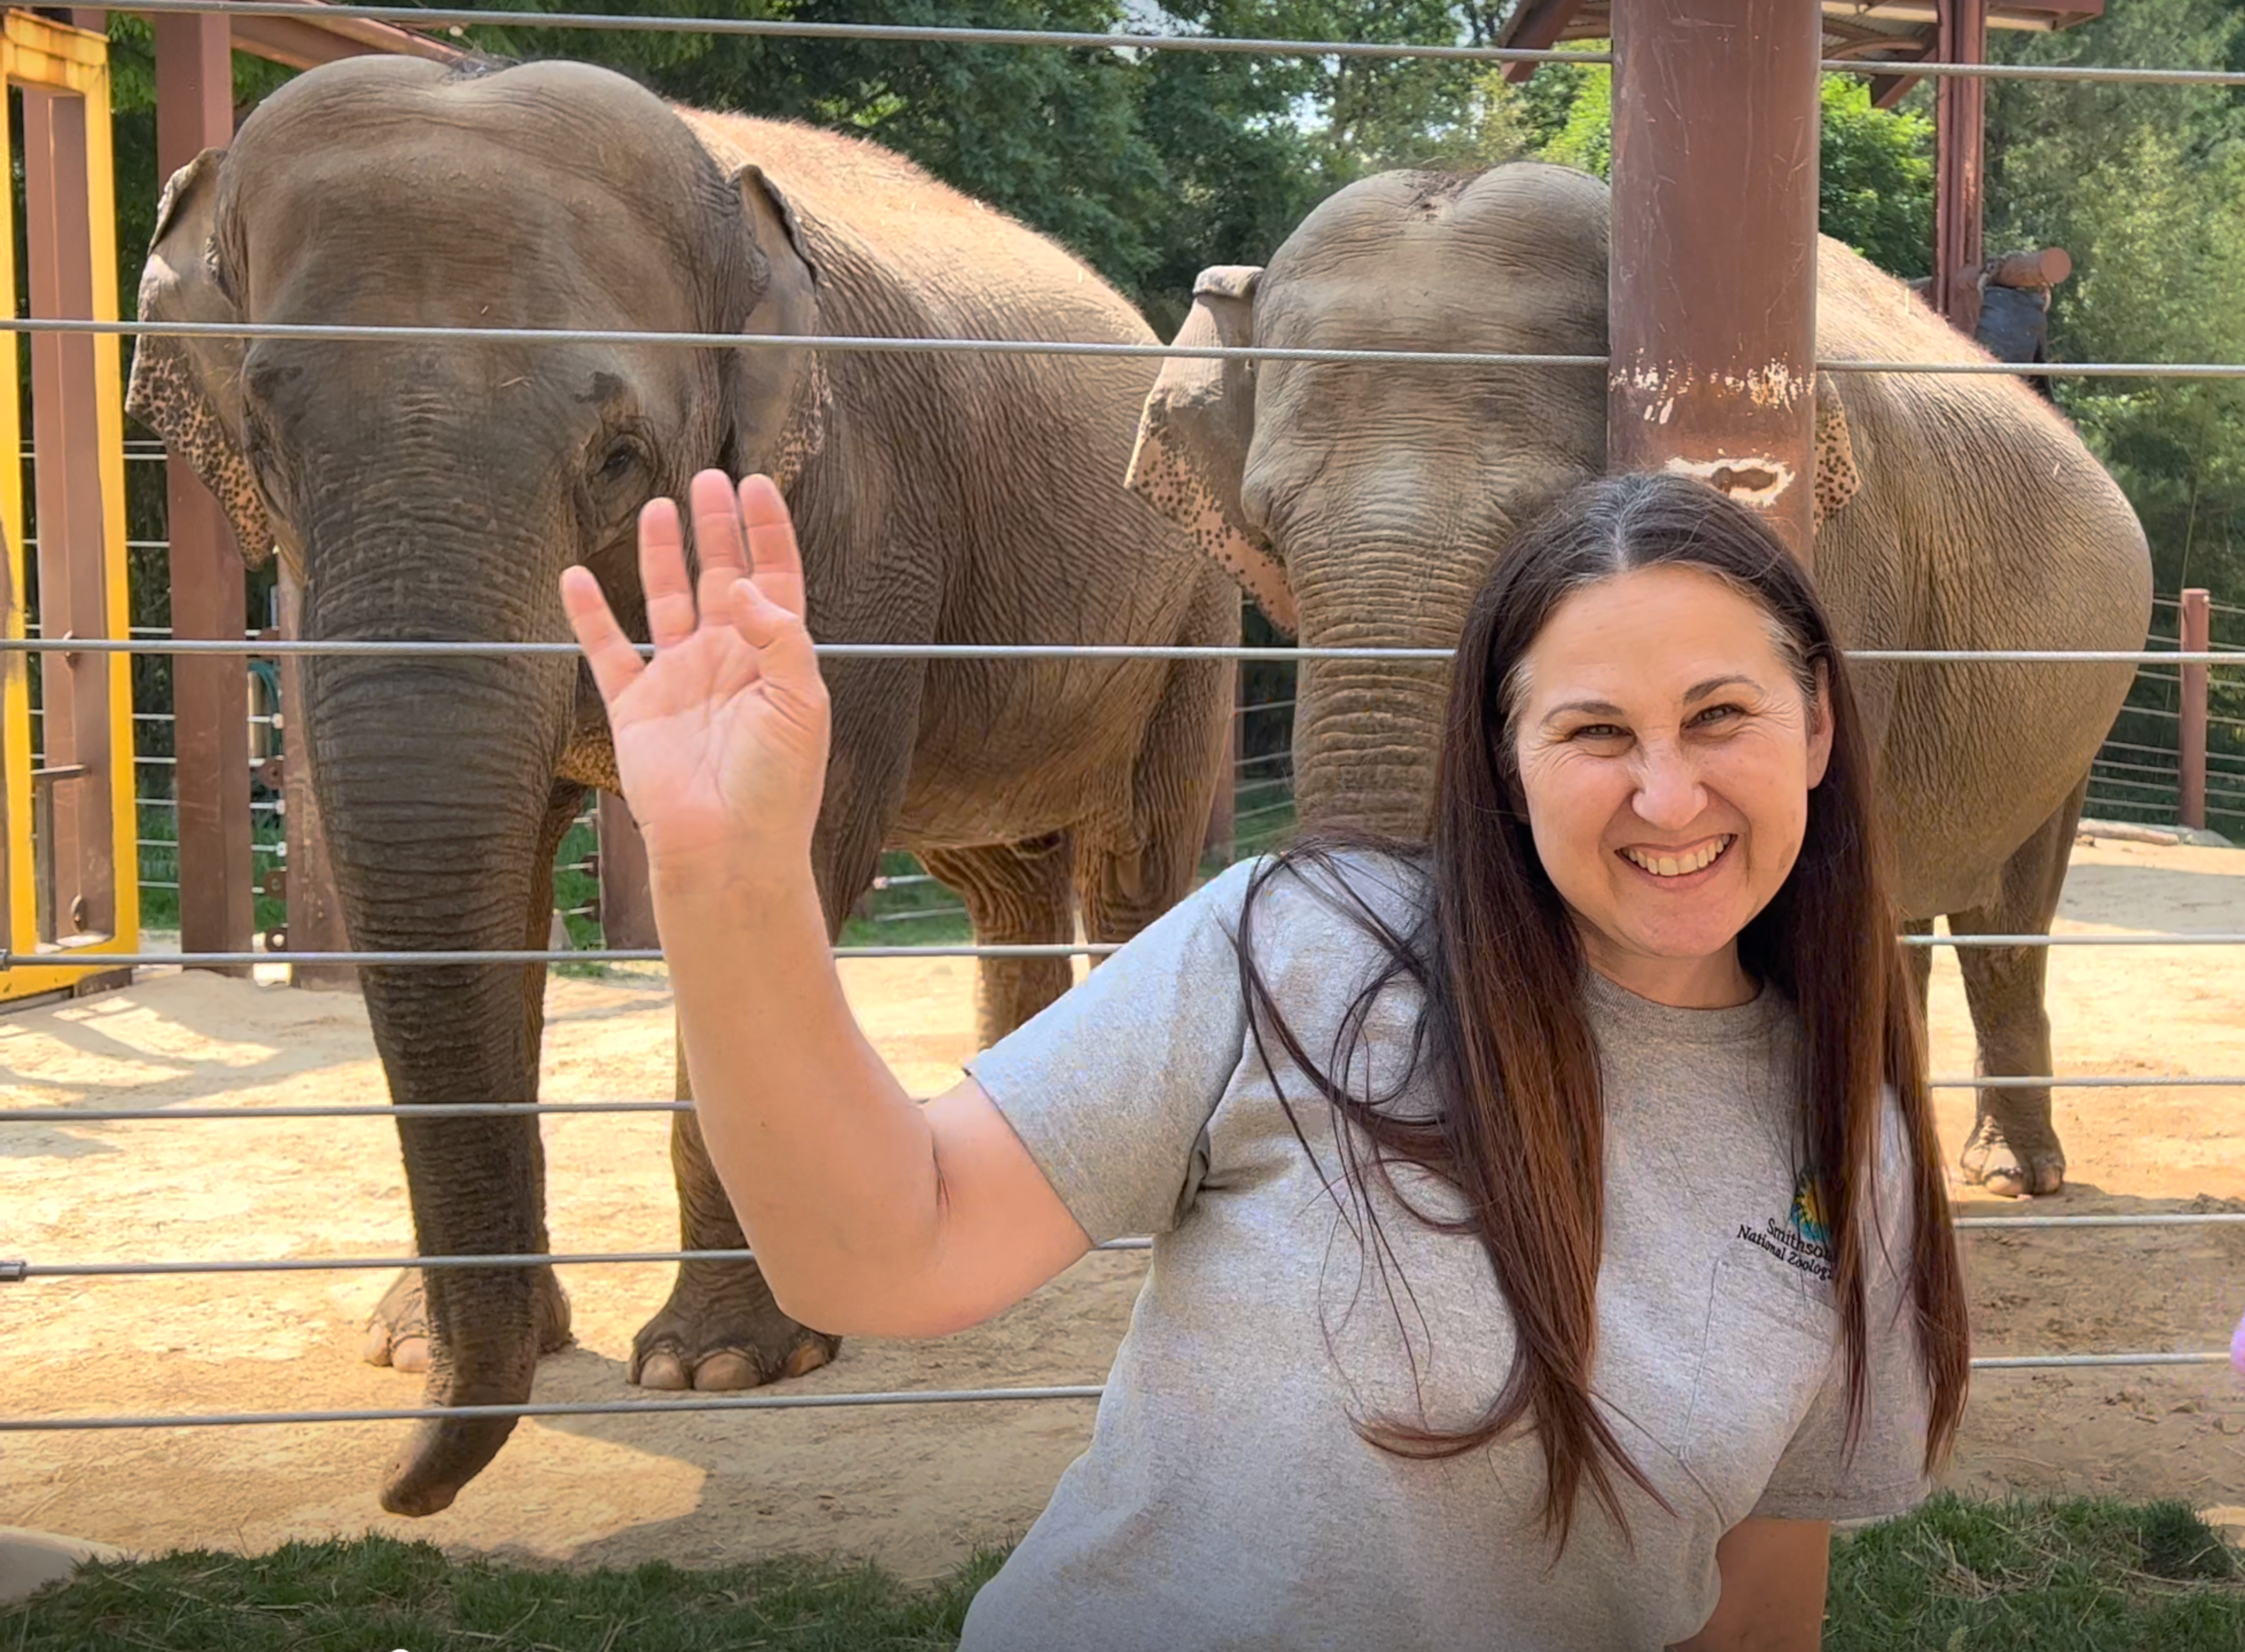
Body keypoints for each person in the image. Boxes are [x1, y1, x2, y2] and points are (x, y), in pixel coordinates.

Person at [557, 467, 1973, 1650]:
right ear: (1505, 763)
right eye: (1594, 731)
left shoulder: (1857, 1150)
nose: (1669, 794)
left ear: (1818, 728)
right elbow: (884, 1255)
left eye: (1721, 716)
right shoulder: (1303, 949)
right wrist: (729, 873)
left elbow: (1757, 1619)